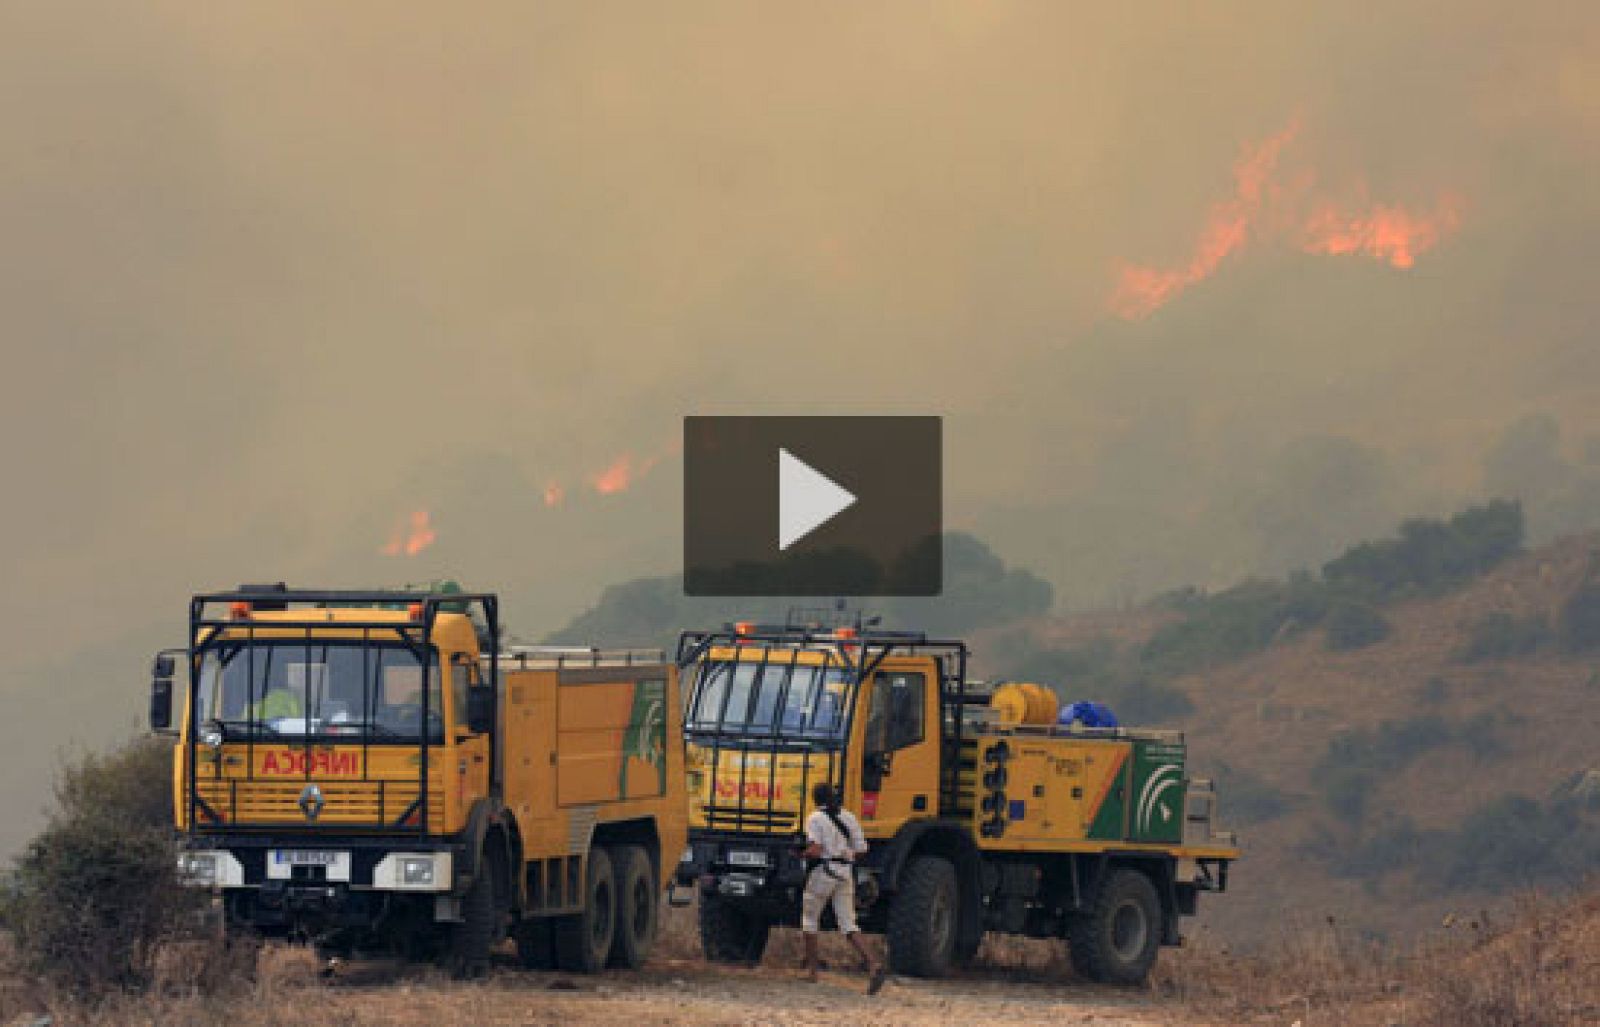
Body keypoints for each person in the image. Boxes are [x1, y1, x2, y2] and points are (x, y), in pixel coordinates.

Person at [801, 782, 886, 994]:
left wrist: (800, 854)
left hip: (823, 873)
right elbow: (861, 849)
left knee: (810, 920)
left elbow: (817, 849)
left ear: (815, 799)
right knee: (848, 924)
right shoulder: (849, 817)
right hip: (845, 873)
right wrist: (845, 855)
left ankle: (812, 972)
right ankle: (873, 963)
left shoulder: (815, 819)